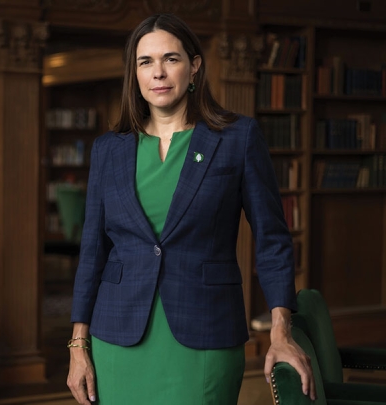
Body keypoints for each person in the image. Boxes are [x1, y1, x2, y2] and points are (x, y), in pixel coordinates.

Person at [66, 13, 315, 405]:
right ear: (134, 74)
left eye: (171, 59)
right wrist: (78, 346)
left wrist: (280, 333)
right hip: (116, 338)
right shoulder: (108, 150)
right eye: (145, 62)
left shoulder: (237, 138)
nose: (158, 73)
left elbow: (272, 241)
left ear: (194, 66)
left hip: (206, 334)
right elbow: (92, 253)